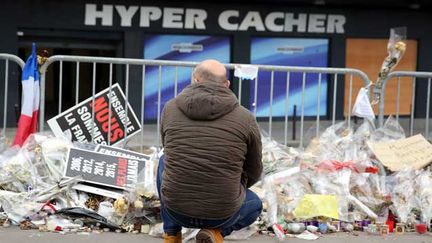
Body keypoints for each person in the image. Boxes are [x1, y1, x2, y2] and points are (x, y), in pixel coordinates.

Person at [158, 59, 263, 243]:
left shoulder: (170, 108)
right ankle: (216, 233)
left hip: (176, 210)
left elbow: (168, 148)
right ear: (227, 84)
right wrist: (231, 184)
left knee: (164, 160)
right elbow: (254, 169)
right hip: (222, 214)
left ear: (195, 80)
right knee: (254, 205)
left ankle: (171, 233)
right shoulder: (246, 118)